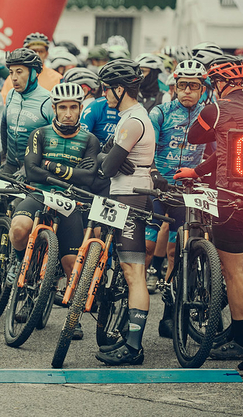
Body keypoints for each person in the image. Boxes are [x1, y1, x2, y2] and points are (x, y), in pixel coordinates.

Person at [176, 55, 243, 359]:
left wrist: (208, 110)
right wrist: (198, 172)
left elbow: (194, 136)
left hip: (231, 200)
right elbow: (231, 152)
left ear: (219, 82)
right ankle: (235, 329)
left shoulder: (217, 108)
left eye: (211, 82)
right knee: (240, 267)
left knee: (233, 273)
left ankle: (241, 340)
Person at [8, 82, 99, 340]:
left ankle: (74, 317)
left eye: (73, 107)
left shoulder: (90, 140)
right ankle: (18, 264)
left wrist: (50, 167)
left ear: (81, 109)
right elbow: (31, 169)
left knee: (73, 266)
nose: (68, 113)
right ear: (54, 109)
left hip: (71, 203)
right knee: (19, 229)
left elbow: (89, 178)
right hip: (38, 194)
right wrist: (69, 174)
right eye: (62, 108)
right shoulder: (40, 134)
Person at [94, 59, 155, 366]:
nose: (104, 94)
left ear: (120, 89)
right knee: (128, 271)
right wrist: (109, 156)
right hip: (122, 195)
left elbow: (105, 167)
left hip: (131, 197)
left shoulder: (133, 121)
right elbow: (105, 156)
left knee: (134, 274)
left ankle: (133, 347)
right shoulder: (129, 117)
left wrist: (109, 158)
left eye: (107, 89)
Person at [145, 60, 207, 335]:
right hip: (159, 186)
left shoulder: (208, 116)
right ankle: (124, 304)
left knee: (177, 251)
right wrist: (154, 171)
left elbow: (216, 152)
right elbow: (146, 145)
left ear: (202, 89)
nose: (187, 91)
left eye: (194, 86)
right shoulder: (161, 112)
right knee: (146, 248)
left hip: (187, 192)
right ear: (174, 87)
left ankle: (169, 314)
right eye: (182, 85)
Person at [1, 48, 53, 175]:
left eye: (19, 72)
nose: (13, 78)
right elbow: (4, 126)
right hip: (11, 164)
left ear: (34, 73)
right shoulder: (11, 94)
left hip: (36, 167)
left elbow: (55, 141)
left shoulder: (48, 100)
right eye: (11, 72)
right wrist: (4, 156)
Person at [0, 32, 61, 100]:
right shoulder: (13, 77)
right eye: (33, 51)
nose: (37, 55)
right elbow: (4, 102)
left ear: (46, 54)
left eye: (41, 51)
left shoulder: (57, 78)